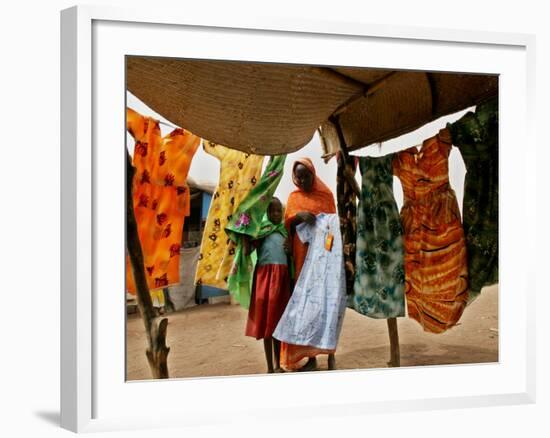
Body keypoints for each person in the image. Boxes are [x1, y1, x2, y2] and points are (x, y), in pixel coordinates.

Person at [280, 158, 338, 371]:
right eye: (299, 176)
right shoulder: (293, 198)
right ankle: (311, 358)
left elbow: (334, 229)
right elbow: (287, 227)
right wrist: (298, 217)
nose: (302, 180)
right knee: (306, 311)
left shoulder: (326, 196)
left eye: (307, 175)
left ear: (314, 174)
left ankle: (330, 354)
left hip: (322, 261)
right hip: (301, 260)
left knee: (325, 308)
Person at [243, 197, 291, 373]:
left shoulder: (285, 232)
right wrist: (244, 233)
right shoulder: (261, 231)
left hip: (282, 280)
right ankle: (270, 367)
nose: (276, 214)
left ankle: (278, 365)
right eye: (272, 211)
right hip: (265, 279)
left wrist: (290, 248)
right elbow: (248, 250)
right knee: (267, 325)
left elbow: (291, 254)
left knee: (278, 323)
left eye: (279, 211)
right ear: (266, 213)